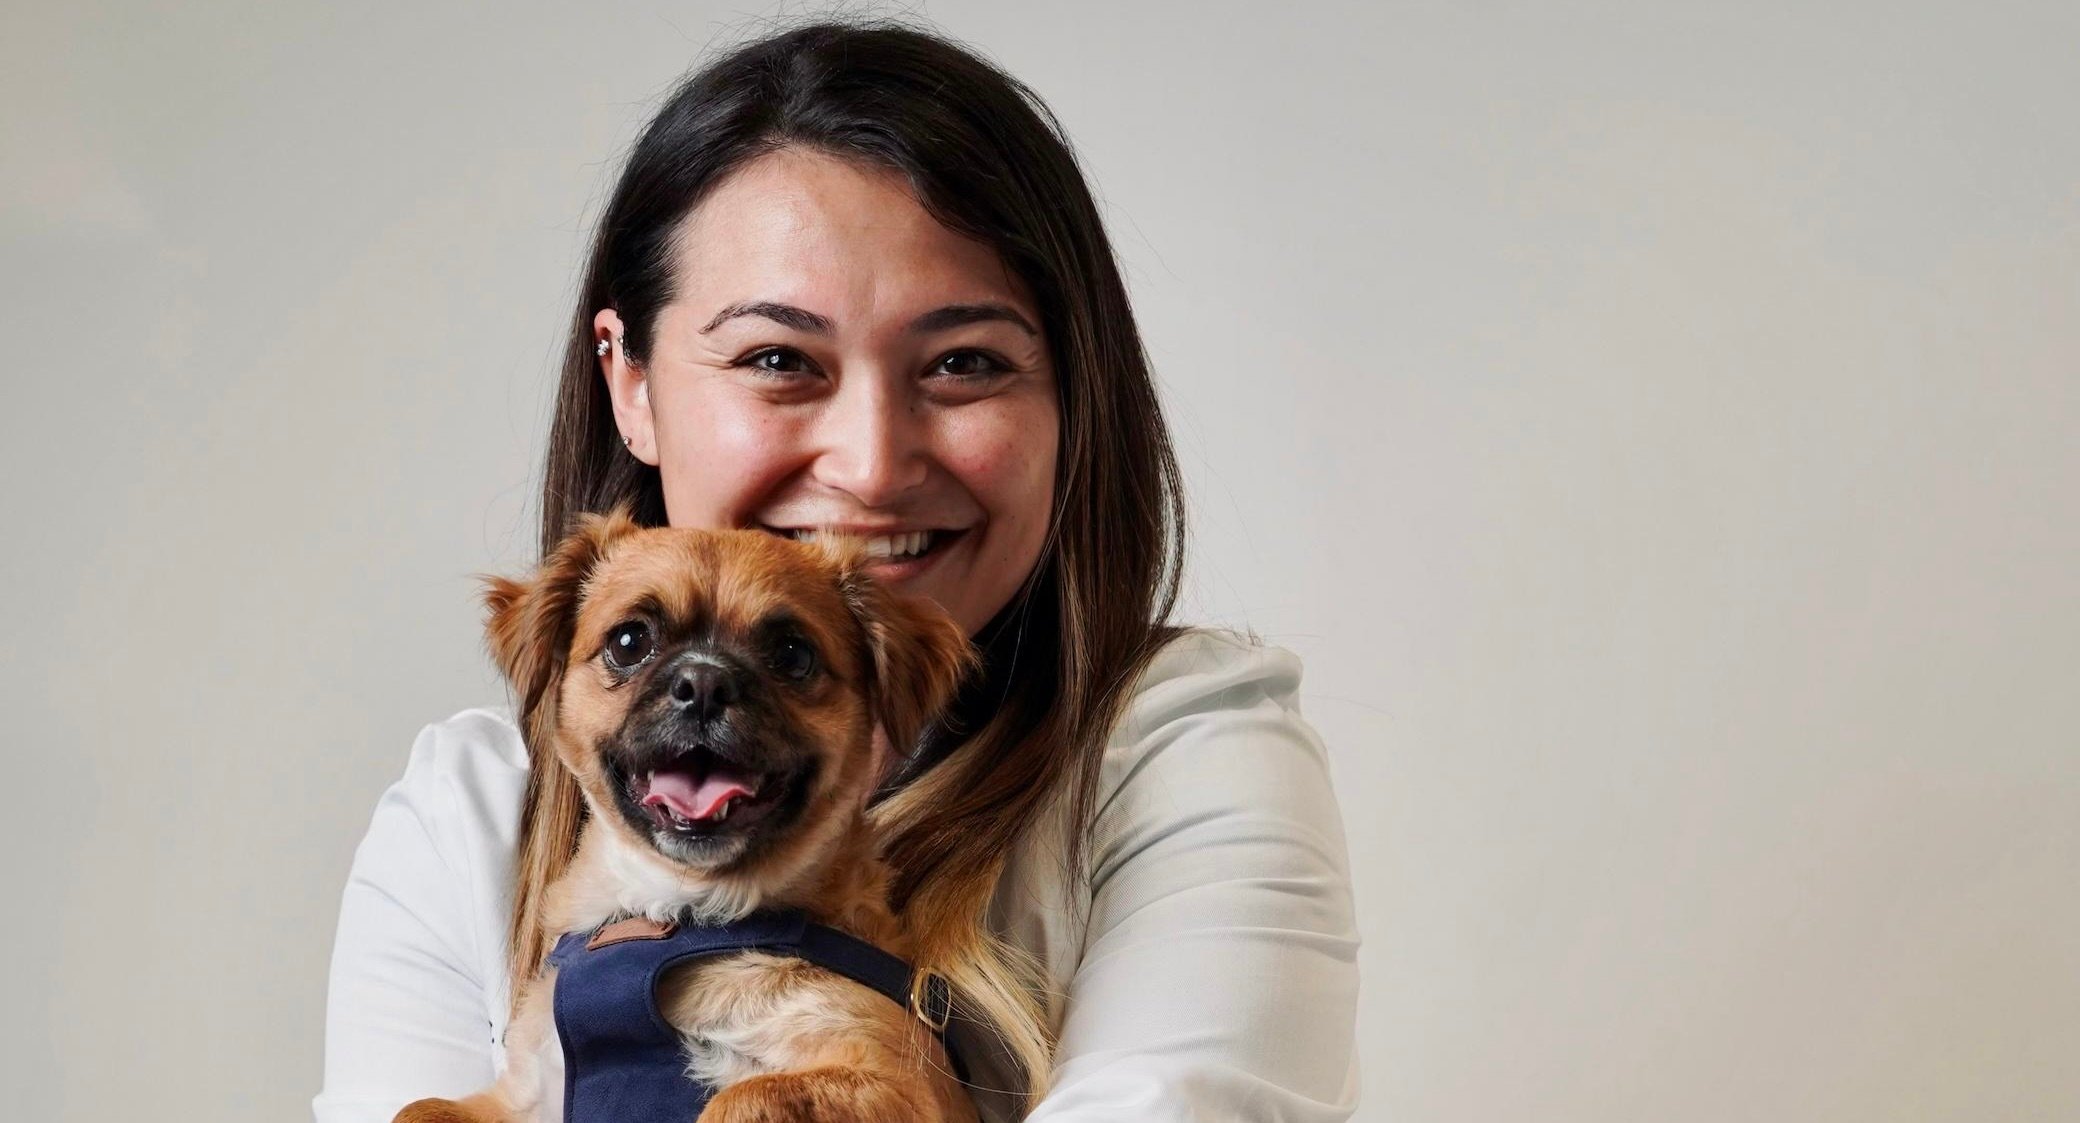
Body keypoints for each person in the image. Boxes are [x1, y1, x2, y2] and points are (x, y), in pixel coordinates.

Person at [314, 18, 1359, 1123]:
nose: (868, 467)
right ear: (629, 383)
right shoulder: (469, 815)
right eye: (776, 358)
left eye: (964, 363)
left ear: (1071, 395)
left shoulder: (1182, 746)